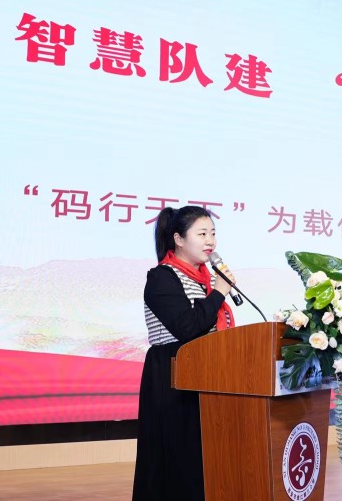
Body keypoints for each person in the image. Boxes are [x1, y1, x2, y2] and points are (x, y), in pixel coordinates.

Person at [132, 205, 236, 501]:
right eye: (202, 234)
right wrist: (219, 292)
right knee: (177, 459)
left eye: (213, 233)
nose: (210, 241)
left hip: (206, 376)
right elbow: (187, 327)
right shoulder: (162, 278)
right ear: (178, 239)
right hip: (173, 378)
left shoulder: (207, 280)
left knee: (202, 460)